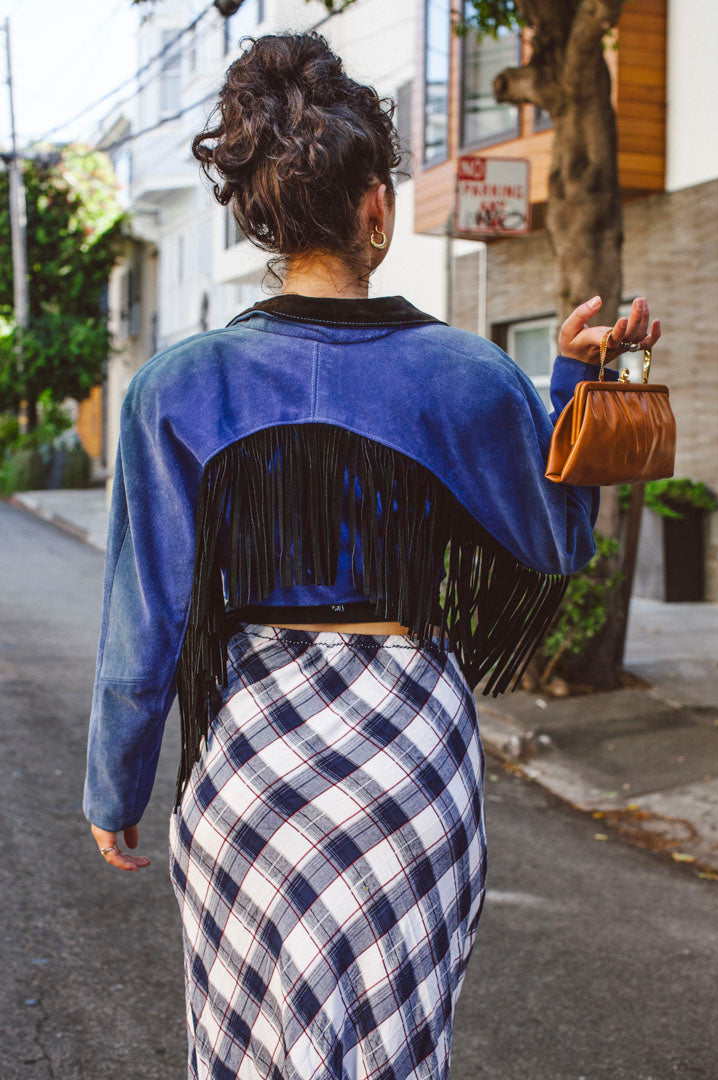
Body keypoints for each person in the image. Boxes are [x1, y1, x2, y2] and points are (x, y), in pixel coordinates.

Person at [83, 31, 661, 1080]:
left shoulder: (176, 386)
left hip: (247, 779)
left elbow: (146, 630)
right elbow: (554, 543)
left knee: (247, 1051)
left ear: (260, 218)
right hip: (409, 774)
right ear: (376, 211)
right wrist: (573, 388)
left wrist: (113, 789)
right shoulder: (472, 377)